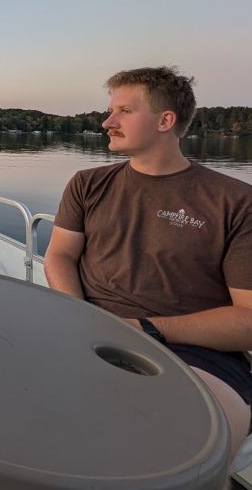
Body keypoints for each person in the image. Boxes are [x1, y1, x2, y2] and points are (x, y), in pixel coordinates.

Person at [44, 67, 252, 463]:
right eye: (110, 110)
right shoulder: (87, 184)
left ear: (165, 120)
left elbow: (248, 320)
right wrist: (77, 314)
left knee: (188, 462)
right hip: (86, 330)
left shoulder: (235, 202)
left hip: (196, 353)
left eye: (123, 110)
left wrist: (144, 330)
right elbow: (59, 255)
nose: (107, 121)